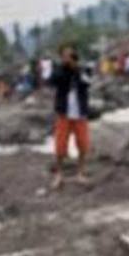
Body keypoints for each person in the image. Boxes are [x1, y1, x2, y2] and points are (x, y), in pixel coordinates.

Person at [48, 44, 92, 189]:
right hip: (64, 112)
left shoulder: (83, 69)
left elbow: (87, 83)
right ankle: (59, 174)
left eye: (70, 55)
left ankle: (80, 173)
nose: (67, 58)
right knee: (60, 144)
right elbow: (53, 81)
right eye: (65, 55)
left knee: (83, 143)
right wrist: (65, 68)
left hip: (80, 112)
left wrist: (76, 69)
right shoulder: (59, 70)